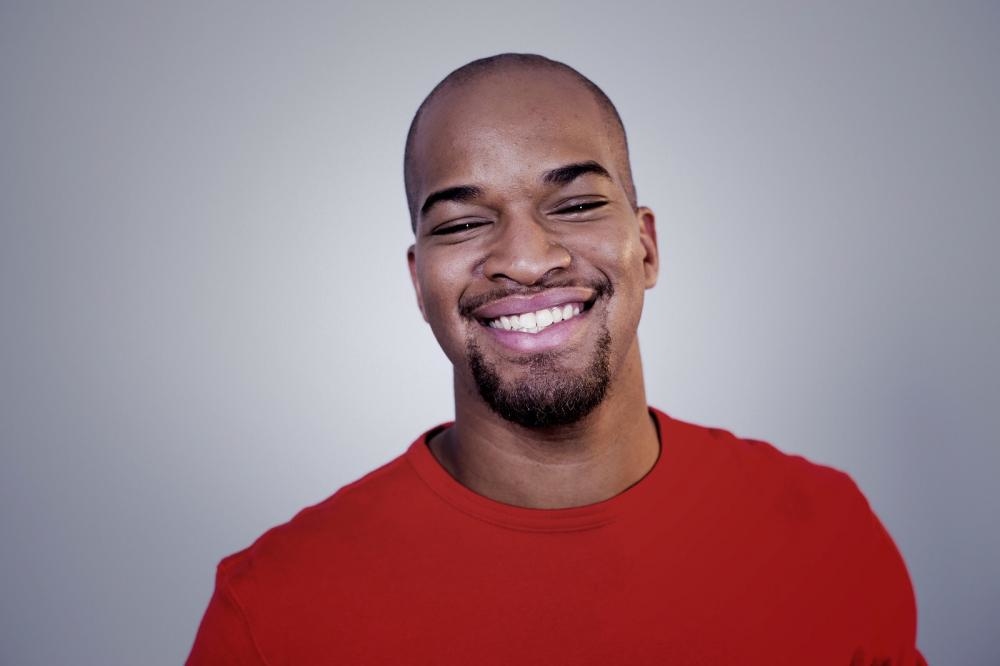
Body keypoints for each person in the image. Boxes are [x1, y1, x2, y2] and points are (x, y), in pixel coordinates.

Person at [187, 53, 925, 665]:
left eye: (575, 206)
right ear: (419, 284)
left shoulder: (827, 535)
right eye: (464, 223)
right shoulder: (272, 612)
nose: (526, 259)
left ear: (647, 247)